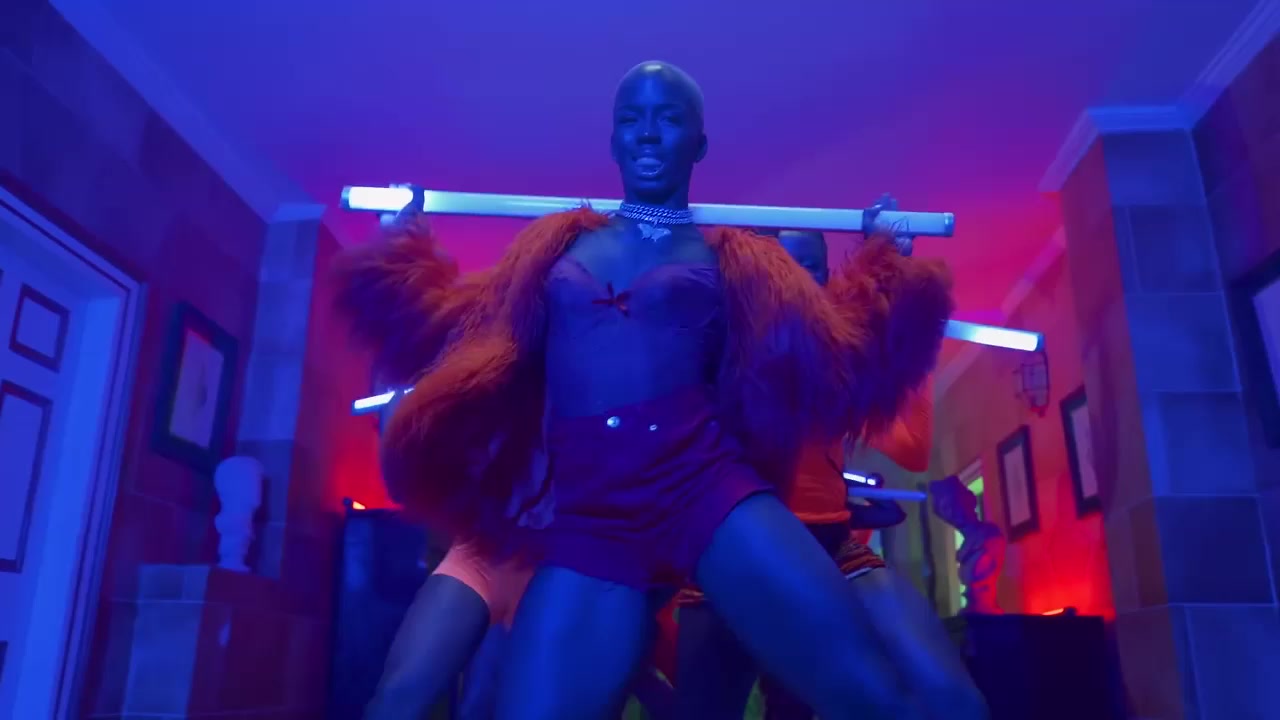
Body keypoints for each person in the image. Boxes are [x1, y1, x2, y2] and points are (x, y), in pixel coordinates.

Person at [334, 61, 953, 719]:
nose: (649, 133)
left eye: (669, 118)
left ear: (699, 143)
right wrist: (401, 239)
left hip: (702, 483)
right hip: (591, 514)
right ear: (614, 140)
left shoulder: (735, 260)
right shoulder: (556, 248)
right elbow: (454, 323)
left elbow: (839, 352)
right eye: (632, 119)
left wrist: (890, 262)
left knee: (867, 691)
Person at [671, 229, 988, 720]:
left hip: (829, 545)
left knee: (955, 702)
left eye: (812, 269)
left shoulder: (841, 355)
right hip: (734, 551)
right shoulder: (723, 344)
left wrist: (903, 343)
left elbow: (911, 449)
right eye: (786, 268)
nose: (800, 282)